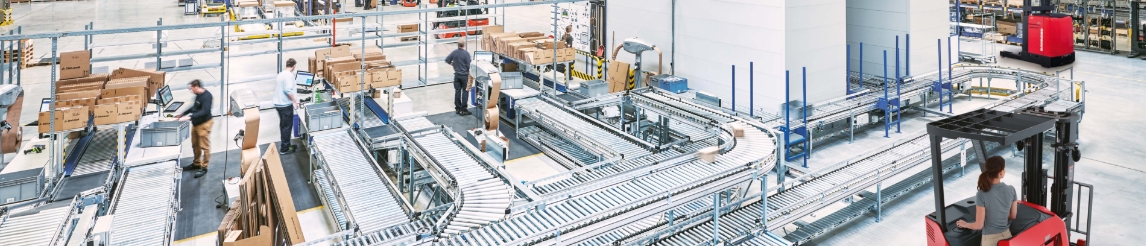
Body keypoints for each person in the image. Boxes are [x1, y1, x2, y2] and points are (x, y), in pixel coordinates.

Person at [956, 156, 1019, 246]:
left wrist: (965, 224)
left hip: (990, 240)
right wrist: (1000, 215)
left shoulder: (981, 194)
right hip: (1007, 236)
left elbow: (978, 225)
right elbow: (1013, 215)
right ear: (1001, 172)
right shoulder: (1011, 189)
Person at [177, 79, 213, 178]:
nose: (191, 90)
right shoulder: (198, 95)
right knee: (195, 145)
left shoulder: (207, 96)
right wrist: (183, 114)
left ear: (196, 86)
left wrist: (190, 117)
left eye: (191, 88)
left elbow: (205, 111)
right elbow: (195, 107)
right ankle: (196, 163)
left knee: (204, 146)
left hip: (204, 124)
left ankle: (204, 167)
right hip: (196, 124)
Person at [274, 58, 300, 154]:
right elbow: (287, 90)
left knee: (284, 125)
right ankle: (284, 148)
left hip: (278, 104)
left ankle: (287, 144)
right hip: (284, 105)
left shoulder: (281, 74)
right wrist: (295, 101)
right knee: (287, 126)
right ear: (293, 66)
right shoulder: (289, 76)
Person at [444, 40, 472, 116]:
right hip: (464, 76)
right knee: (465, 92)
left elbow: (447, 60)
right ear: (464, 45)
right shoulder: (466, 54)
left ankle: (458, 108)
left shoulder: (454, 52)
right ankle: (463, 109)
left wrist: (453, 64)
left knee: (457, 91)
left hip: (456, 75)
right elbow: (469, 66)